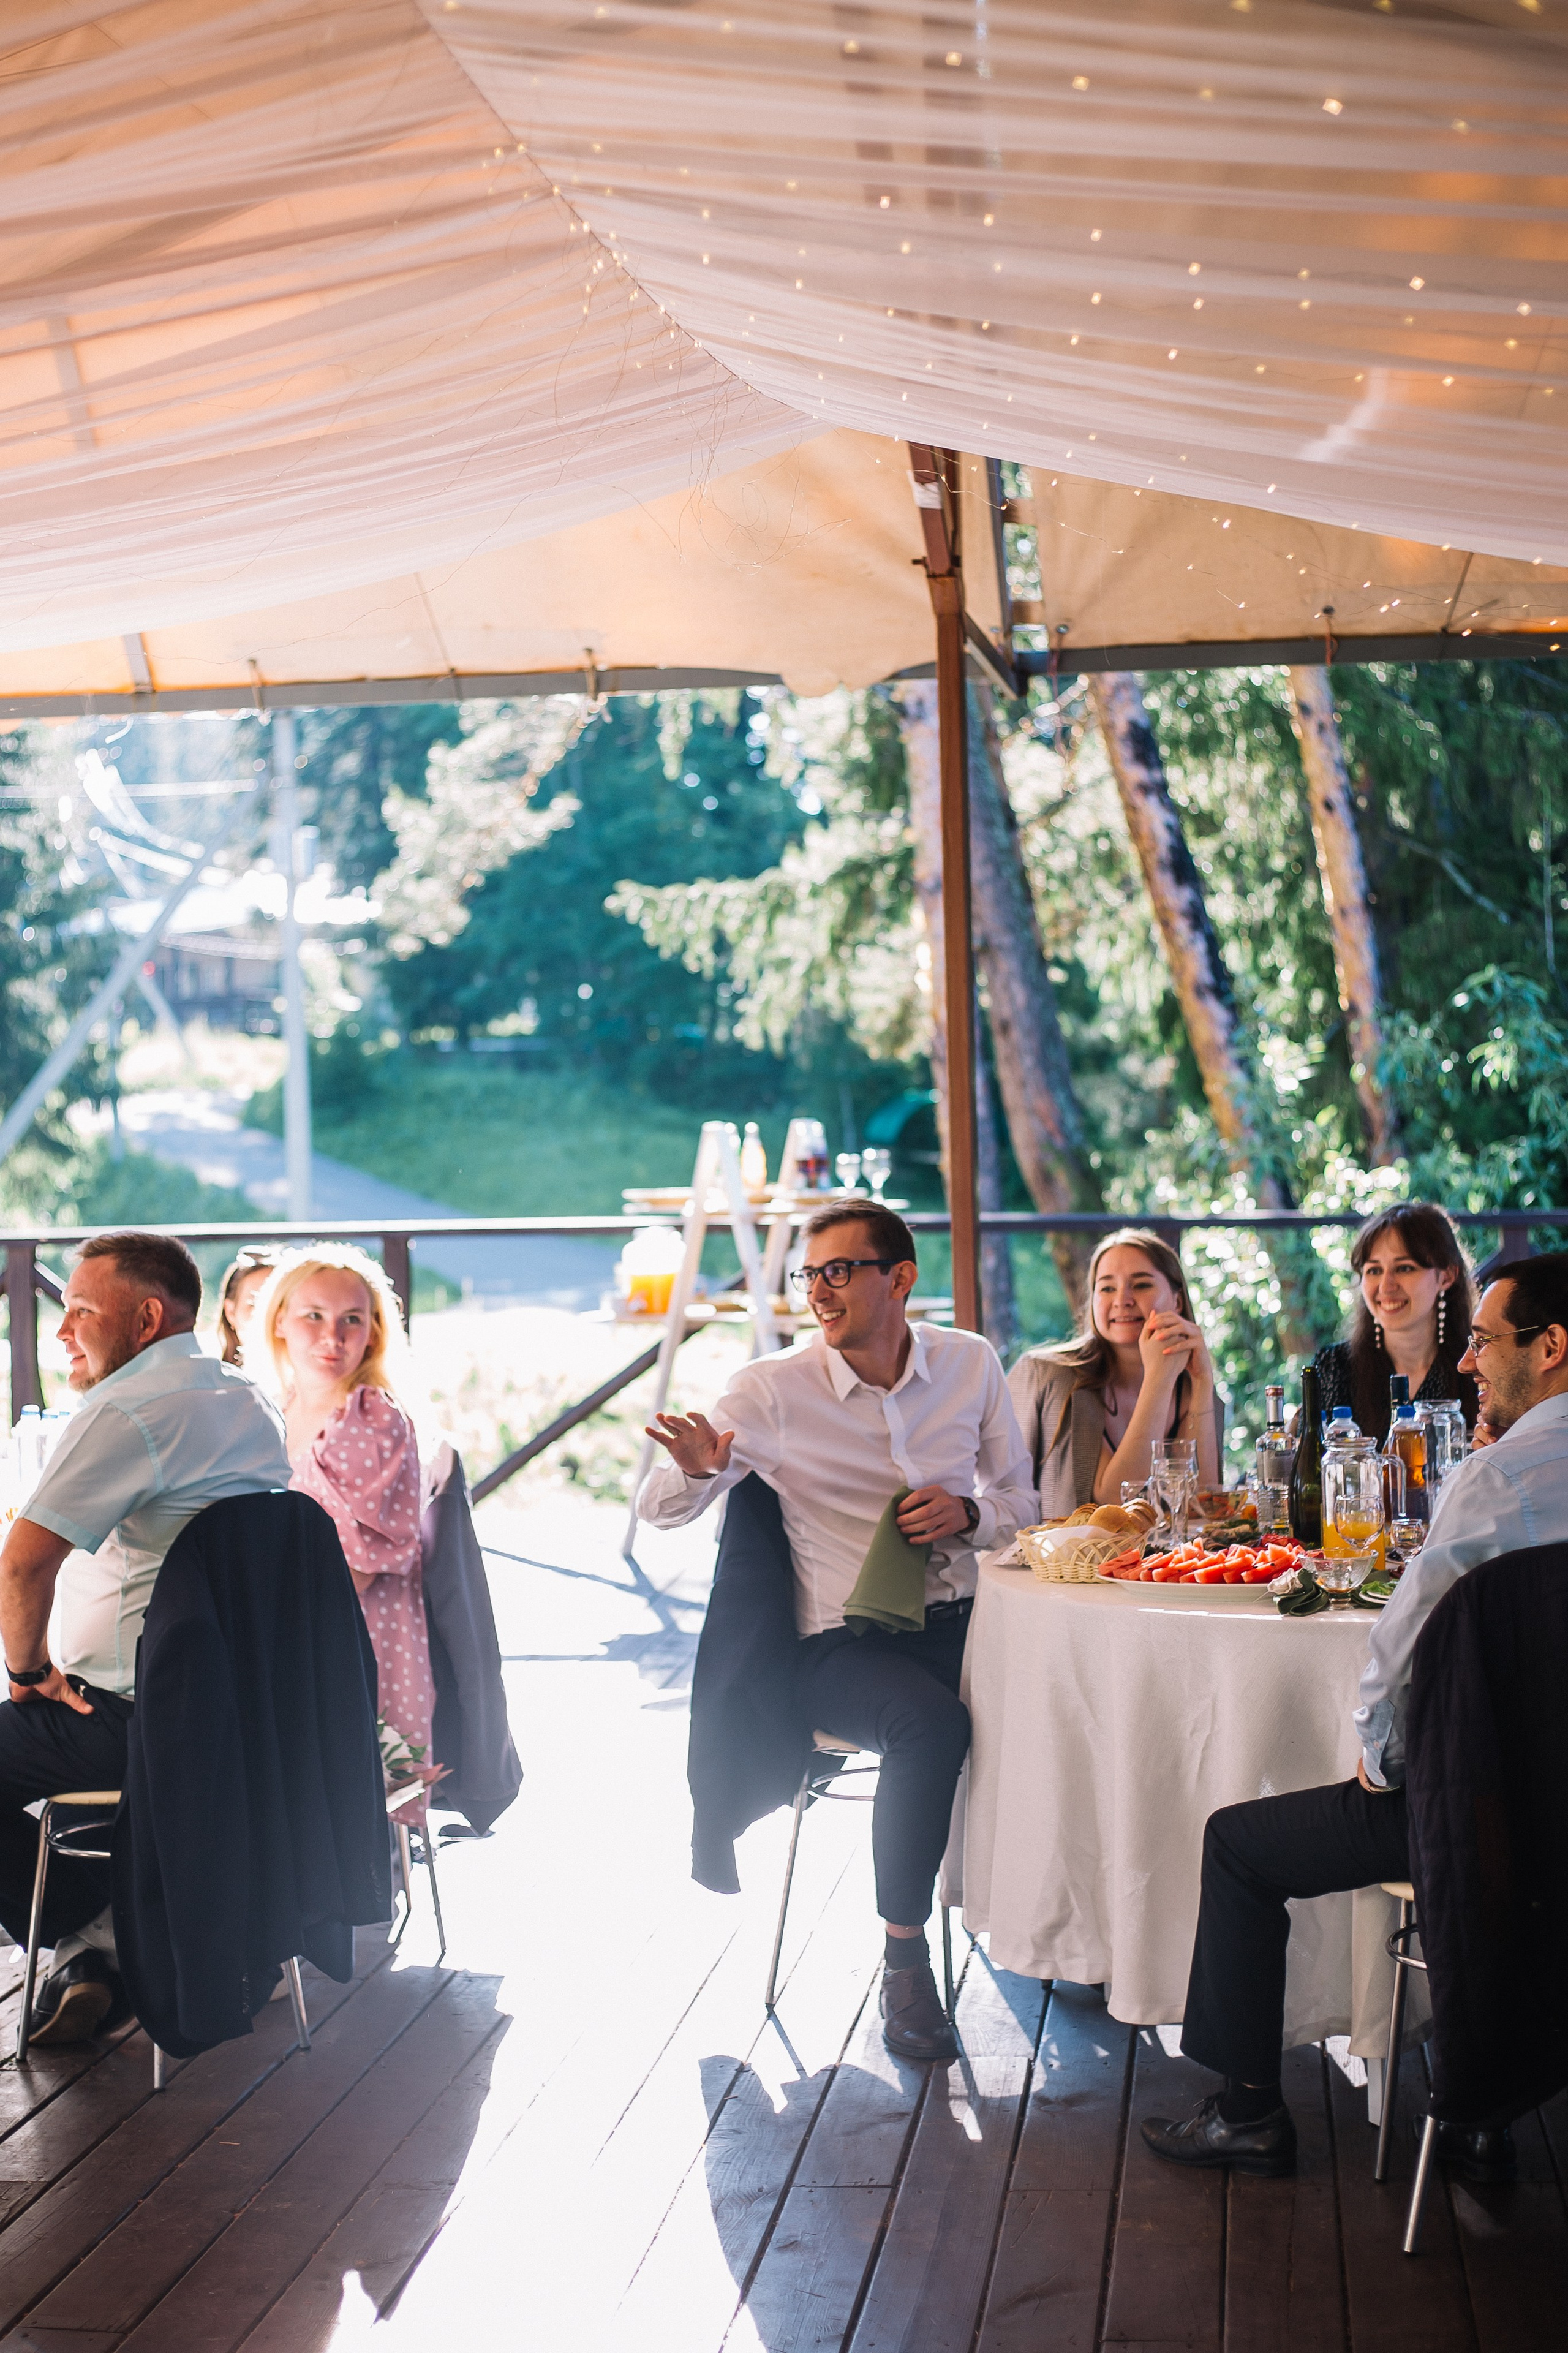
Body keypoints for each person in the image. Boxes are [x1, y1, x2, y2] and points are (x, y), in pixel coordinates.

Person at [1141, 1249, 1568, 2181]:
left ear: (1553, 1347)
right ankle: (1489, 2105)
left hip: (1488, 1825)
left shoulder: (1500, 1482)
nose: (1469, 1361)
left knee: (1239, 1844)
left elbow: (1401, 1656)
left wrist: (1380, 1765)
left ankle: (1248, 2110)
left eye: (1488, 1342)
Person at [638, 1202, 1034, 2063]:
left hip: (968, 1625)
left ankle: (1068, 1935)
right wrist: (699, 1471)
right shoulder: (769, 1391)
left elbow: (1025, 1508)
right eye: (808, 1274)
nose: (819, 1290)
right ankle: (906, 1961)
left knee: (1078, 1693)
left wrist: (969, 1510)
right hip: (840, 1650)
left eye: (840, 1270)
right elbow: (659, 1511)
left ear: (900, 1279)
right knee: (930, 1725)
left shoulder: (970, 1364)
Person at [0, 1231, 291, 2044]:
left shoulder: (128, 1407)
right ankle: (114, 1934)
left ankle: (95, 1936)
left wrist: (27, 1671)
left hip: (134, 1723)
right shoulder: (246, 1398)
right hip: (238, 1718)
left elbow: (22, 1567)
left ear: (146, 1319)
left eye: (80, 1313)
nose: (62, 1332)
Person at [254, 1245, 440, 1805]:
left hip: (351, 1634)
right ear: (280, 1319)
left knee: (336, 1789)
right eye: (313, 1316)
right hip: (289, 1619)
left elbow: (355, 1565)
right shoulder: (272, 1405)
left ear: (374, 1331)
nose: (332, 1336)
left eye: (350, 1319)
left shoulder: (372, 1414)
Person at [1007, 1228, 1222, 1519]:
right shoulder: (1045, 1375)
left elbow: (1200, 1509)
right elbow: (1115, 1505)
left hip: (1163, 1565)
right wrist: (1158, 1380)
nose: (1123, 1299)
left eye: (1142, 1285)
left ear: (1178, 1301)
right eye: (1107, 1288)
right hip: (1063, 1565)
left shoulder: (1194, 1389)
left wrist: (1202, 1383)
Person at [1311, 1203, 1478, 1445]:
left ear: (1446, 1276)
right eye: (1374, 1270)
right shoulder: (1333, 1367)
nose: (1386, 1286)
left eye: (1404, 1268)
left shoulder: (1478, 1368)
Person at [215, 1244, 283, 1367]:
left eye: (279, 1304)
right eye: (254, 1305)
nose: (269, 1316)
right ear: (231, 1312)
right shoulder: (212, 1381)